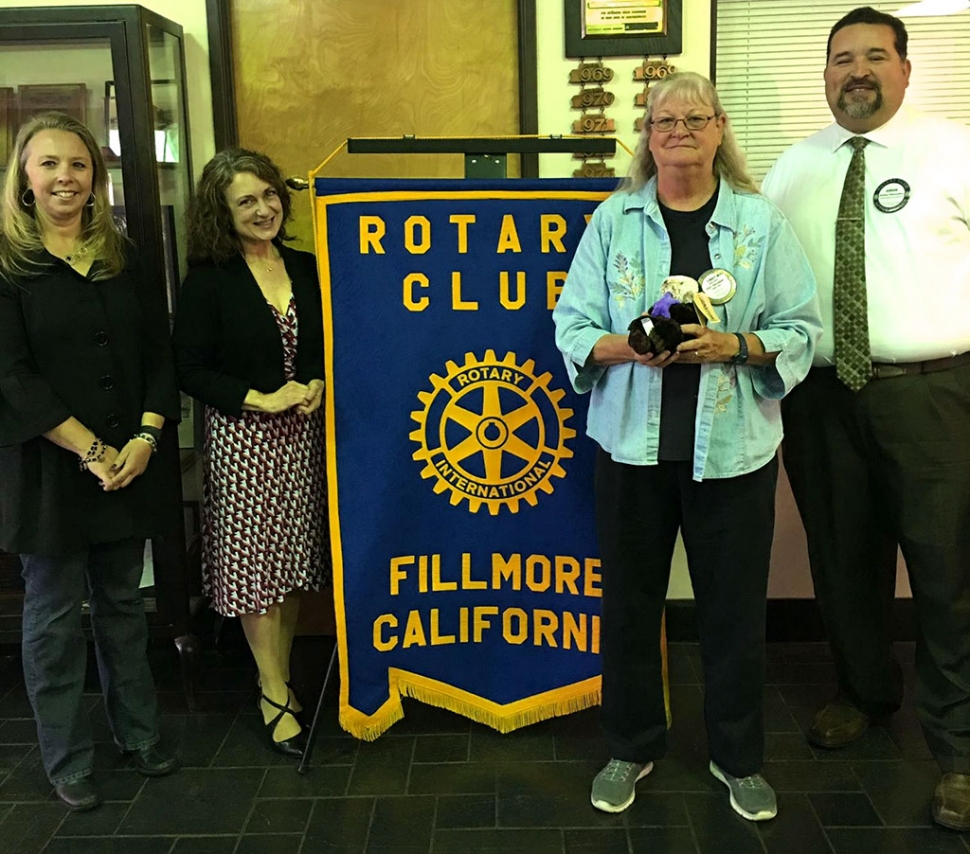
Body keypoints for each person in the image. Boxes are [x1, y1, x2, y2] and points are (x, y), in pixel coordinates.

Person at [553, 71, 820, 822]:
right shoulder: (613, 220)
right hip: (630, 453)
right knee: (630, 607)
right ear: (647, 134)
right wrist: (629, 348)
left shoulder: (759, 224)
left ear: (718, 129)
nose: (679, 132)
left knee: (734, 613)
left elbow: (802, 329)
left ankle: (739, 760)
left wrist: (732, 343)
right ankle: (630, 746)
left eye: (694, 119)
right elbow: (570, 326)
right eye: (664, 120)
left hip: (733, 455)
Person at [761, 6, 970, 830]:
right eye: (841, 58)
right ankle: (865, 693)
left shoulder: (954, 149)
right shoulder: (793, 167)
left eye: (875, 56)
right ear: (824, 76)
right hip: (820, 394)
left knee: (947, 574)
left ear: (906, 69)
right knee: (842, 559)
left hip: (934, 393)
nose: (857, 71)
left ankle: (957, 751)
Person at [0, 112, 180, 812]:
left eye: (77, 165)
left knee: (122, 609)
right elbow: (13, 379)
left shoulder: (124, 255)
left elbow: (158, 353)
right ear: (24, 176)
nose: (64, 177)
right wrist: (94, 449)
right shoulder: (10, 265)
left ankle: (139, 734)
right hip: (51, 472)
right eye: (48, 165)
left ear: (94, 177)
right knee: (51, 620)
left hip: (129, 465)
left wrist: (143, 438)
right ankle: (67, 759)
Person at [172, 148, 329, 758]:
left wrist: (315, 382)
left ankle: (281, 676)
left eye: (269, 195)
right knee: (254, 573)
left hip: (304, 443)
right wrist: (258, 399)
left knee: (289, 566)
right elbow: (189, 368)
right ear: (222, 210)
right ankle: (271, 689)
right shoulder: (209, 276)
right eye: (247, 200)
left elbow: (324, 342)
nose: (264, 209)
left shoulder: (306, 265)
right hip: (244, 443)